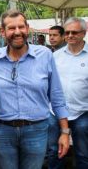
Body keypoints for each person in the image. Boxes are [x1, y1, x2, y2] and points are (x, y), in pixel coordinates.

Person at [0, 9, 70, 169]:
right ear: (3, 32)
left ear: (27, 28)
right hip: (3, 131)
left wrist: (65, 132)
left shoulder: (44, 55)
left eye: (21, 27)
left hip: (36, 129)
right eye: (11, 28)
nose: (17, 32)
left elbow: (56, 95)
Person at [54, 17, 88, 169]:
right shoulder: (55, 56)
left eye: (74, 32)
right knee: (55, 152)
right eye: (67, 32)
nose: (70, 35)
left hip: (82, 112)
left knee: (83, 153)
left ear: (84, 33)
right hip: (55, 112)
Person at [46, 25, 67, 169]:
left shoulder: (67, 54)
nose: (51, 38)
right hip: (53, 107)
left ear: (63, 36)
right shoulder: (49, 54)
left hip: (76, 106)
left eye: (55, 35)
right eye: (50, 35)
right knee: (53, 147)